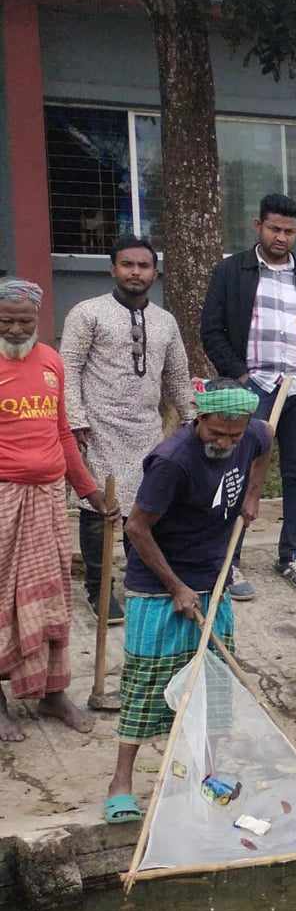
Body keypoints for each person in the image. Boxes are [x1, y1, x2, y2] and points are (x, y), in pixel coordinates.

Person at [112, 383, 269, 822]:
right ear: (199, 419)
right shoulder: (172, 460)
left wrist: (254, 493)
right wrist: (176, 587)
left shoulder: (252, 433)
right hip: (157, 583)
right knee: (146, 684)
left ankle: (207, 773)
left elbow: (265, 444)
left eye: (232, 437)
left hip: (212, 577)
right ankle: (121, 782)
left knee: (214, 684)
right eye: (216, 433)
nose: (224, 443)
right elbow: (137, 529)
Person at [199, 192, 296, 596]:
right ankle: (230, 562)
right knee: (237, 471)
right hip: (252, 389)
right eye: (275, 228)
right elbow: (212, 330)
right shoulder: (232, 272)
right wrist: (239, 375)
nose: (281, 237)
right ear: (257, 226)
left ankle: (291, 555)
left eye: (289, 231)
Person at [60, 234, 194, 625]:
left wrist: (190, 417)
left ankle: (140, 581)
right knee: (98, 507)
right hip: (97, 428)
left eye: (144, 266)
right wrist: (76, 419)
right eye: (127, 264)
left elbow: (177, 376)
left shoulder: (164, 321)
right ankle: (99, 590)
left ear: (154, 272)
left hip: (146, 430)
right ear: (113, 269)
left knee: (145, 508)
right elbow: (68, 368)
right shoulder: (88, 314)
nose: (135, 272)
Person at [0, 278, 107, 746]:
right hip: (4, 499)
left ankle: (52, 691)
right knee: (2, 599)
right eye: (7, 320)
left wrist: (89, 490)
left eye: (25, 320)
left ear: (39, 319)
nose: (17, 328)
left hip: (48, 500)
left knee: (51, 596)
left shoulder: (52, 362)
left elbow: (63, 433)